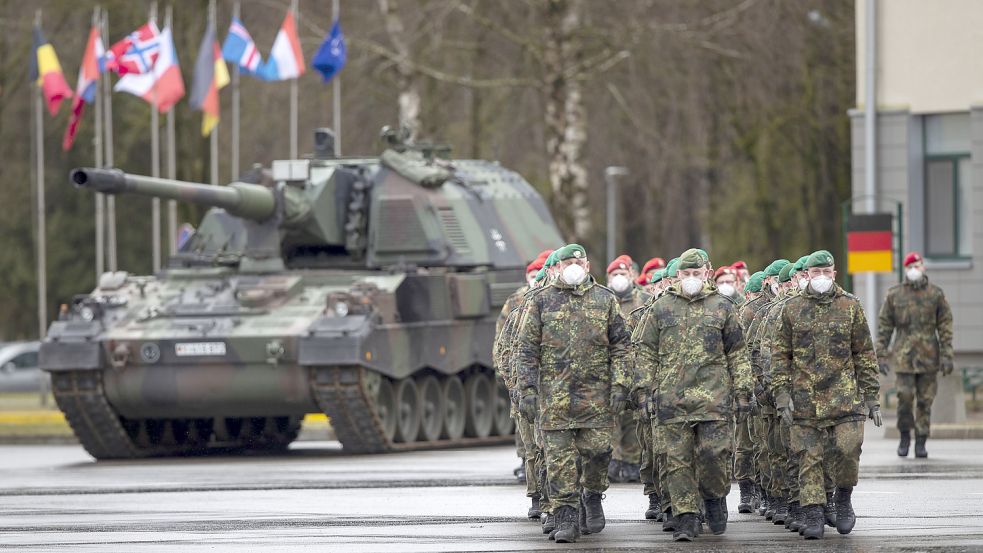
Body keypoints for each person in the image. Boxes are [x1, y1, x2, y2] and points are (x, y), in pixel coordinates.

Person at [633, 248, 753, 542]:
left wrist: (743, 390)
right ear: (677, 276)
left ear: (706, 273)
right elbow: (646, 351)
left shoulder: (722, 307)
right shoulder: (661, 308)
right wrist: (643, 389)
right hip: (671, 402)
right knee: (677, 462)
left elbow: (737, 352)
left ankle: (714, 499)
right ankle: (686, 516)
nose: (690, 279)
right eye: (685, 274)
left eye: (695, 274)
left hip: (713, 400)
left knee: (714, 457)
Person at [516, 244, 631, 543]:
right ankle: (566, 515)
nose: (573, 266)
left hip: (595, 399)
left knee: (598, 453)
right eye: (568, 261)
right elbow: (527, 350)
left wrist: (620, 385)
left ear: (588, 265)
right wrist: (527, 389)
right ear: (558, 266)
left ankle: (592, 494)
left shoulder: (604, 300)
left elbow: (621, 346)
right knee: (559, 461)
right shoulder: (541, 301)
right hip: (555, 400)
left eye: (578, 261)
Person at [770, 250, 881, 540]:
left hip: (844, 400)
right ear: (806, 275)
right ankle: (813, 513)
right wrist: (782, 395)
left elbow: (864, 354)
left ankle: (843, 498)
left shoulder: (850, 306)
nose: (820, 277)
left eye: (825, 272)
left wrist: (872, 397)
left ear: (834, 273)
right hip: (804, 402)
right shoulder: (792, 309)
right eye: (815, 272)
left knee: (847, 451)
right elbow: (780, 355)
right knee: (809, 458)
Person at [877, 252, 954, 458]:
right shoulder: (895, 295)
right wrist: (881, 355)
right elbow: (885, 326)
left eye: (917, 265)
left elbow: (945, 325)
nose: (914, 270)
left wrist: (947, 355)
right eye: (910, 266)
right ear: (905, 269)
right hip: (904, 358)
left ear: (923, 267)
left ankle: (921, 440)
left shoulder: (935, 294)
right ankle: (904, 437)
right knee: (904, 398)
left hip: (929, 357)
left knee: (925, 401)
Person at [494, 250, 552, 486]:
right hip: (525, 378)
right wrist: (506, 375)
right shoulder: (517, 304)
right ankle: (535, 485)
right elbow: (503, 342)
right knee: (526, 429)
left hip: (554, 382)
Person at [606, 254, 651, 483]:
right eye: (614, 275)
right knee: (612, 415)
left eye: (622, 274)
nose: (619, 278)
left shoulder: (644, 299)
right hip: (611, 370)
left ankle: (633, 462)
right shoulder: (604, 300)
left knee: (634, 418)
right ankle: (613, 460)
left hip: (638, 368)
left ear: (631, 275)